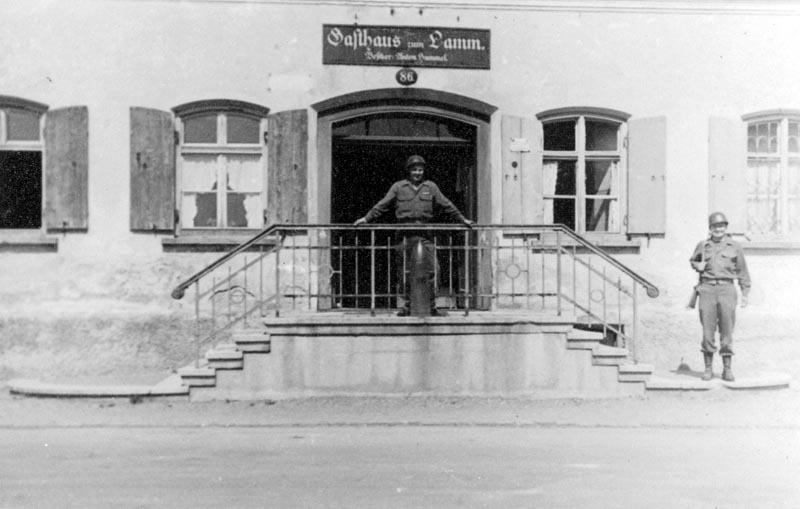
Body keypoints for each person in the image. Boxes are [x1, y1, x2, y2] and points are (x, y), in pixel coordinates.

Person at [354, 155, 473, 316]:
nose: (417, 173)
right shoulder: (398, 187)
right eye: (414, 169)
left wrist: (462, 219)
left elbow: (447, 205)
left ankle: (431, 305)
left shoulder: (430, 187)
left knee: (433, 269)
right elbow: (382, 204)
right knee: (405, 271)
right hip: (404, 234)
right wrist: (366, 218)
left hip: (424, 234)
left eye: (420, 170)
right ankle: (408, 306)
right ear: (409, 170)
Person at [689, 212, 751, 382]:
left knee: (727, 330)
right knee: (707, 331)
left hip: (727, 289)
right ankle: (708, 369)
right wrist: (697, 265)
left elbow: (743, 271)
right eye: (715, 226)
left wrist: (745, 293)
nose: (718, 229)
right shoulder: (703, 245)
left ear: (726, 227)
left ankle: (727, 369)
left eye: (721, 226)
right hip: (707, 289)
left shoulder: (735, 246)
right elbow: (693, 260)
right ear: (710, 228)